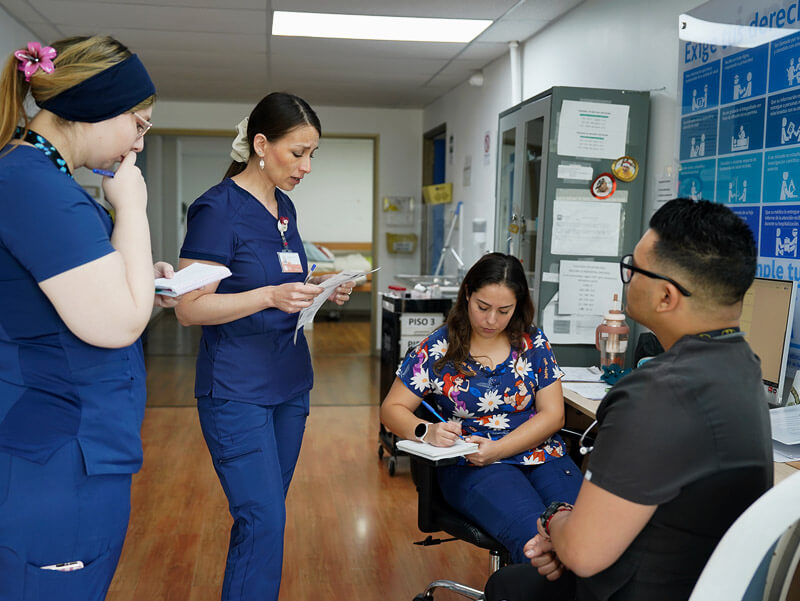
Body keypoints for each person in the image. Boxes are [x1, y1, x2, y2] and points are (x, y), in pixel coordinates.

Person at [484, 198, 773, 601]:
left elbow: (583, 554)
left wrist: (554, 520)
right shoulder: (743, 364)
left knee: (507, 585)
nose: (627, 278)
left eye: (633, 269)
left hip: (637, 588)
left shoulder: (654, 393)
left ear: (666, 296)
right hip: (702, 583)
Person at [0, 35, 177, 600]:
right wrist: (131, 207)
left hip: (77, 444)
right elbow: (118, 324)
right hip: (55, 454)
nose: (140, 143)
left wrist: (141, 277)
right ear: (97, 107)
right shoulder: (32, 185)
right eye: (139, 124)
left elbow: (76, 291)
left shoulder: (42, 180)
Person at [174, 92, 354, 601]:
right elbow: (189, 308)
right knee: (263, 520)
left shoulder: (284, 208)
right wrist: (269, 296)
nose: (307, 166)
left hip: (290, 385)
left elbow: (279, 276)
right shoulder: (217, 208)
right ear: (260, 144)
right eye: (297, 152)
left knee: (265, 520)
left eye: (312, 154)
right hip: (237, 390)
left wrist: (320, 287)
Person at [380, 252, 583, 564]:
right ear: (467, 295)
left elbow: (553, 414)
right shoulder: (438, 348)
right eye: (483, 307)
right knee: (535, 545)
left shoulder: (532, 342)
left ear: (518, 306)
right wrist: (428, 431)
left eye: (504, 311)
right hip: (475, 466)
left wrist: (499, 448)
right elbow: (391, 409)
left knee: (586, 538)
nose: (491, 320)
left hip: (543, 456)